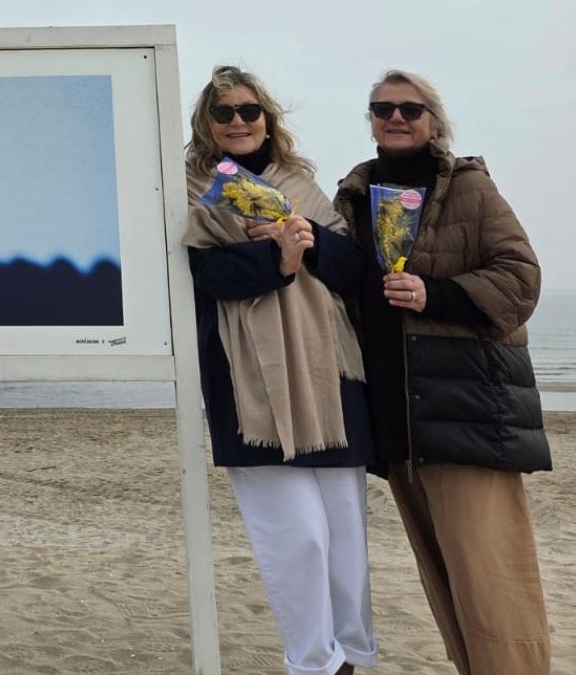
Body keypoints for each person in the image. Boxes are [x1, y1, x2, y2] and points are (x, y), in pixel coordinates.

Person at [334, 69, 551, 675]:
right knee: (446, 582)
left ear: (434, 121)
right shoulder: (354, 195)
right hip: (400, 422)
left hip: (467, 416)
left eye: (411, 108)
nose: (395, 118)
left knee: (493, 586)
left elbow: (521, 280)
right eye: (383, 108)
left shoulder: (469, 188)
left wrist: (435, 294)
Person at [182, 65, 378, 675]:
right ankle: (315, 662)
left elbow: (353, 270)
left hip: (330, 370)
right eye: (224, 113)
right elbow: (201, 278)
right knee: (299, 537)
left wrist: (305, 235)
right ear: (206, 124)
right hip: (250, 378)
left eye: (249, 110)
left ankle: (354, 657)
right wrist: (275, 259)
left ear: (267, 118)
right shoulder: (190, 188)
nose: (238, 121)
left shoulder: (300, 182)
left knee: (344, 536)